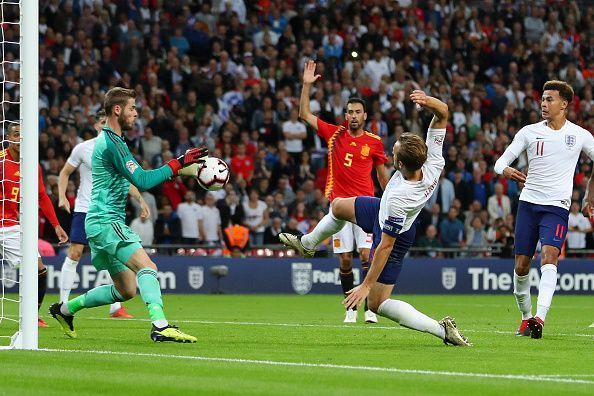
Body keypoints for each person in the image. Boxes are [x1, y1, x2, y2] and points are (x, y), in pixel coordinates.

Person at [281, 90, 470, 346]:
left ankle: (441, 330)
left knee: (377, 304)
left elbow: (385, 246)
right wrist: (428, 102)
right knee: (337, 206)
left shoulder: (399, 198)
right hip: (378, 208)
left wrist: (366, 285)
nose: (391, 154)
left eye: (394, 152)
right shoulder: (433, 162)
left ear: (400, 164)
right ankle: (308, 244)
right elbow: (443, 112)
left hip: (395, 233)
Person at [49, 87, 208, 343]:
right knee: (148, 267)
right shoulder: (112, 142)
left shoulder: (114, 142)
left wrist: (181, 172)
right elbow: (142, 179)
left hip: (98, 223)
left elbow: (132, 181)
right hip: (106, 221)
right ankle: (160, 325)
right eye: (133, 108)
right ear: (117, 109)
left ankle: (65, 310)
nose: (136, 113)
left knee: (126, 290)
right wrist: (178, 163)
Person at [494, 80, 594, 339]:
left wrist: (588, 196)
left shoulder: (580, 135)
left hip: (557, 207)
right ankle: (526, 318)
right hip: (528, 205)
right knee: (521, 267)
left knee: (550, 257)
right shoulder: (529, 132)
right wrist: (506, 170)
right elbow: (500, 161)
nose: (544, 104)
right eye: (543, 99)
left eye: (550, 99)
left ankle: (540, 317)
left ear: (564, 104)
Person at [297, 60, 389, 324]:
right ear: (345, 115)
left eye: (358, 112)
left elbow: (383, 177)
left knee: (365, 256)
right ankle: (350, 307)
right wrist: (306, 86)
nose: (353, 116)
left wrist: (390, 204)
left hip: (365, 207)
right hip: (339, 206)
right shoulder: (335, 134)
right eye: (349, 111)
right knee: (345, 261)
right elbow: (304, 114)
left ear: (365, 115)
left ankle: (371, 307)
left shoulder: (374, 142)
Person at [58, 110, 146, 319]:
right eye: (102, 122)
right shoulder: (83, 148)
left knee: (116, 255)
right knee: (75, 253)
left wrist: (139, 199)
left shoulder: (116, 148)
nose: (105, 124)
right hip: (84, 208)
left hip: (109, 210)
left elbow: (124, 180)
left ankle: (115, 307)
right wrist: (62, 196)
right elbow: (65, 172)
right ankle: (62, 302)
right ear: (97, 124)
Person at [0, 124, 68, 327]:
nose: (20, 138)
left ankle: (32, 316)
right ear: (8, 137)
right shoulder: (1, 160)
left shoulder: (31, 164)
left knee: (39, 268)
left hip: (10, 226)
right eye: (15, 134)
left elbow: (41, 196)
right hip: (4, 225)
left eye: (23, 135)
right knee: (35, 268)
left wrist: (56, 225)